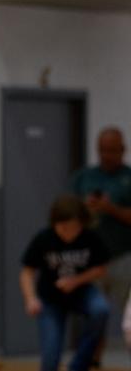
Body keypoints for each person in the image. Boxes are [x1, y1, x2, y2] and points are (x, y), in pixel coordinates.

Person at [20, 194, 109, 371]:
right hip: (50, 298)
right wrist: (30, 298)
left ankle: (78, 365)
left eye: (73, 228)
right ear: (54, 224)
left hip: (81, 292)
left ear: (82, 224)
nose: (68, 234)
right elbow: (26, 272)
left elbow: (101, 269)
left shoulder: (90, 237)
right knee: (50, 356)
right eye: (63, 228)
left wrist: (76, 281)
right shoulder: (44, 239)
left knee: (101, 310)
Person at [69, 127, 131, 336]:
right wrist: (86, 211)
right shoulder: (84, 177)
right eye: (103, 150)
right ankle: (92, 360)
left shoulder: (128, 178)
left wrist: (110, 208)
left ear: (123, 149)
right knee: (95, 313)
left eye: (112, 150)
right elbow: (68, 216)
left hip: (123, 256)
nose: (107, 156)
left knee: (128, 318)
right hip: (91, 259)